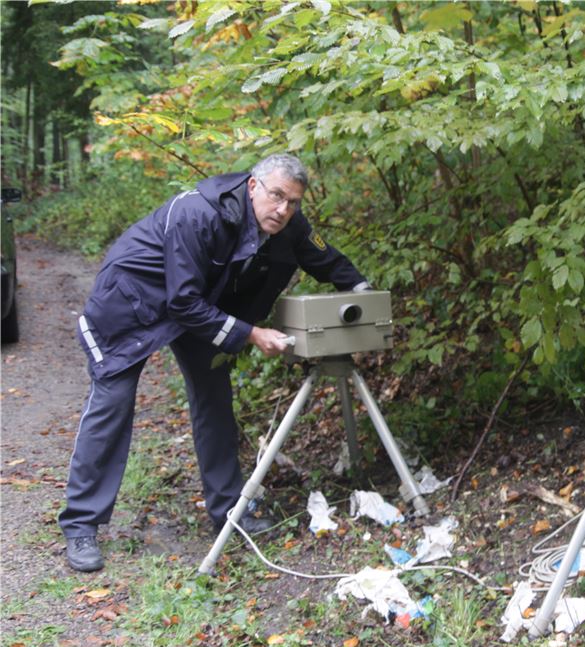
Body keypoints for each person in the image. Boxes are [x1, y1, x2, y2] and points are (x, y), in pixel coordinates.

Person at [60, 154, 369, 572]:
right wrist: (252, 334)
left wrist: (365, 295)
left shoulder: (287, 224)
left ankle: (228, 513)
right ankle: (81, 525)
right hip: (134, 303)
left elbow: (325, 259)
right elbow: (181, 300)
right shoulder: (197, 213)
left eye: (293, 202)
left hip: (199, 308)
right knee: (113, 405)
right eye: (276, 196)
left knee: (215, 403)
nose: (283, 209)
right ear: (253, 186)